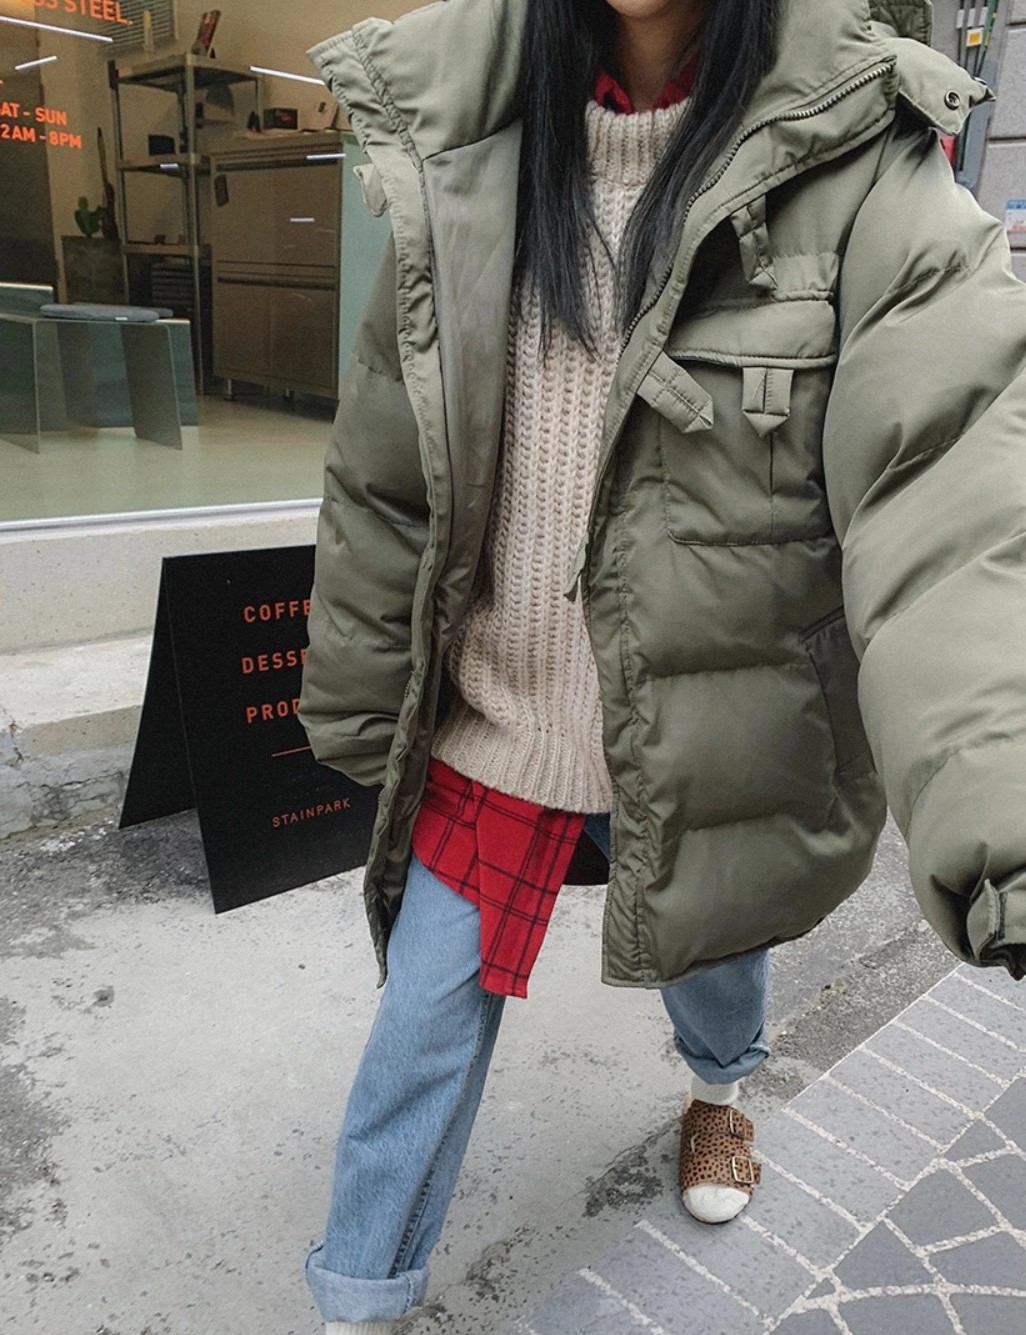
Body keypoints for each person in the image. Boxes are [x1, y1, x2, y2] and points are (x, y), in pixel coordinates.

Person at [299, 0, 1026, 1329]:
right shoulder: (461, 123)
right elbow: (388, 460)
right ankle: (359, 1300)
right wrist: (357, 683)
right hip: (499, 715)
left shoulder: (861, 151)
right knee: (419, 1025)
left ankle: (719, 1094)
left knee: (714, 957)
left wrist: (1003, 817)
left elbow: (944, 497)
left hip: (714, 714)